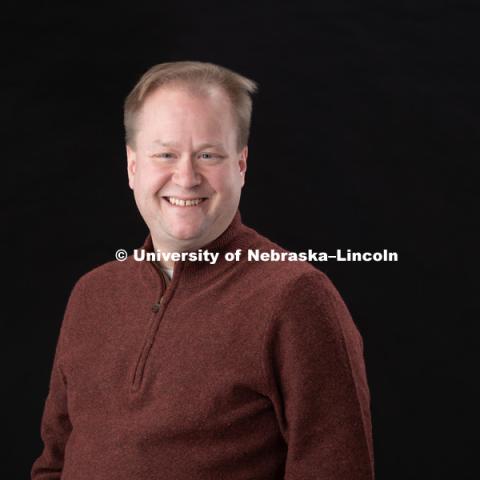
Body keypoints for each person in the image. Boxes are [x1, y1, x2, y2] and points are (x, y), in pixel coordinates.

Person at [31, 61, 375, 479]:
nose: (186, 176)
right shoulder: (92, 294)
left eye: (208, 155)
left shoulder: (296, 297)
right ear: (132, 166)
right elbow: (54, 462)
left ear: (242, 165)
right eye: (165, 154)